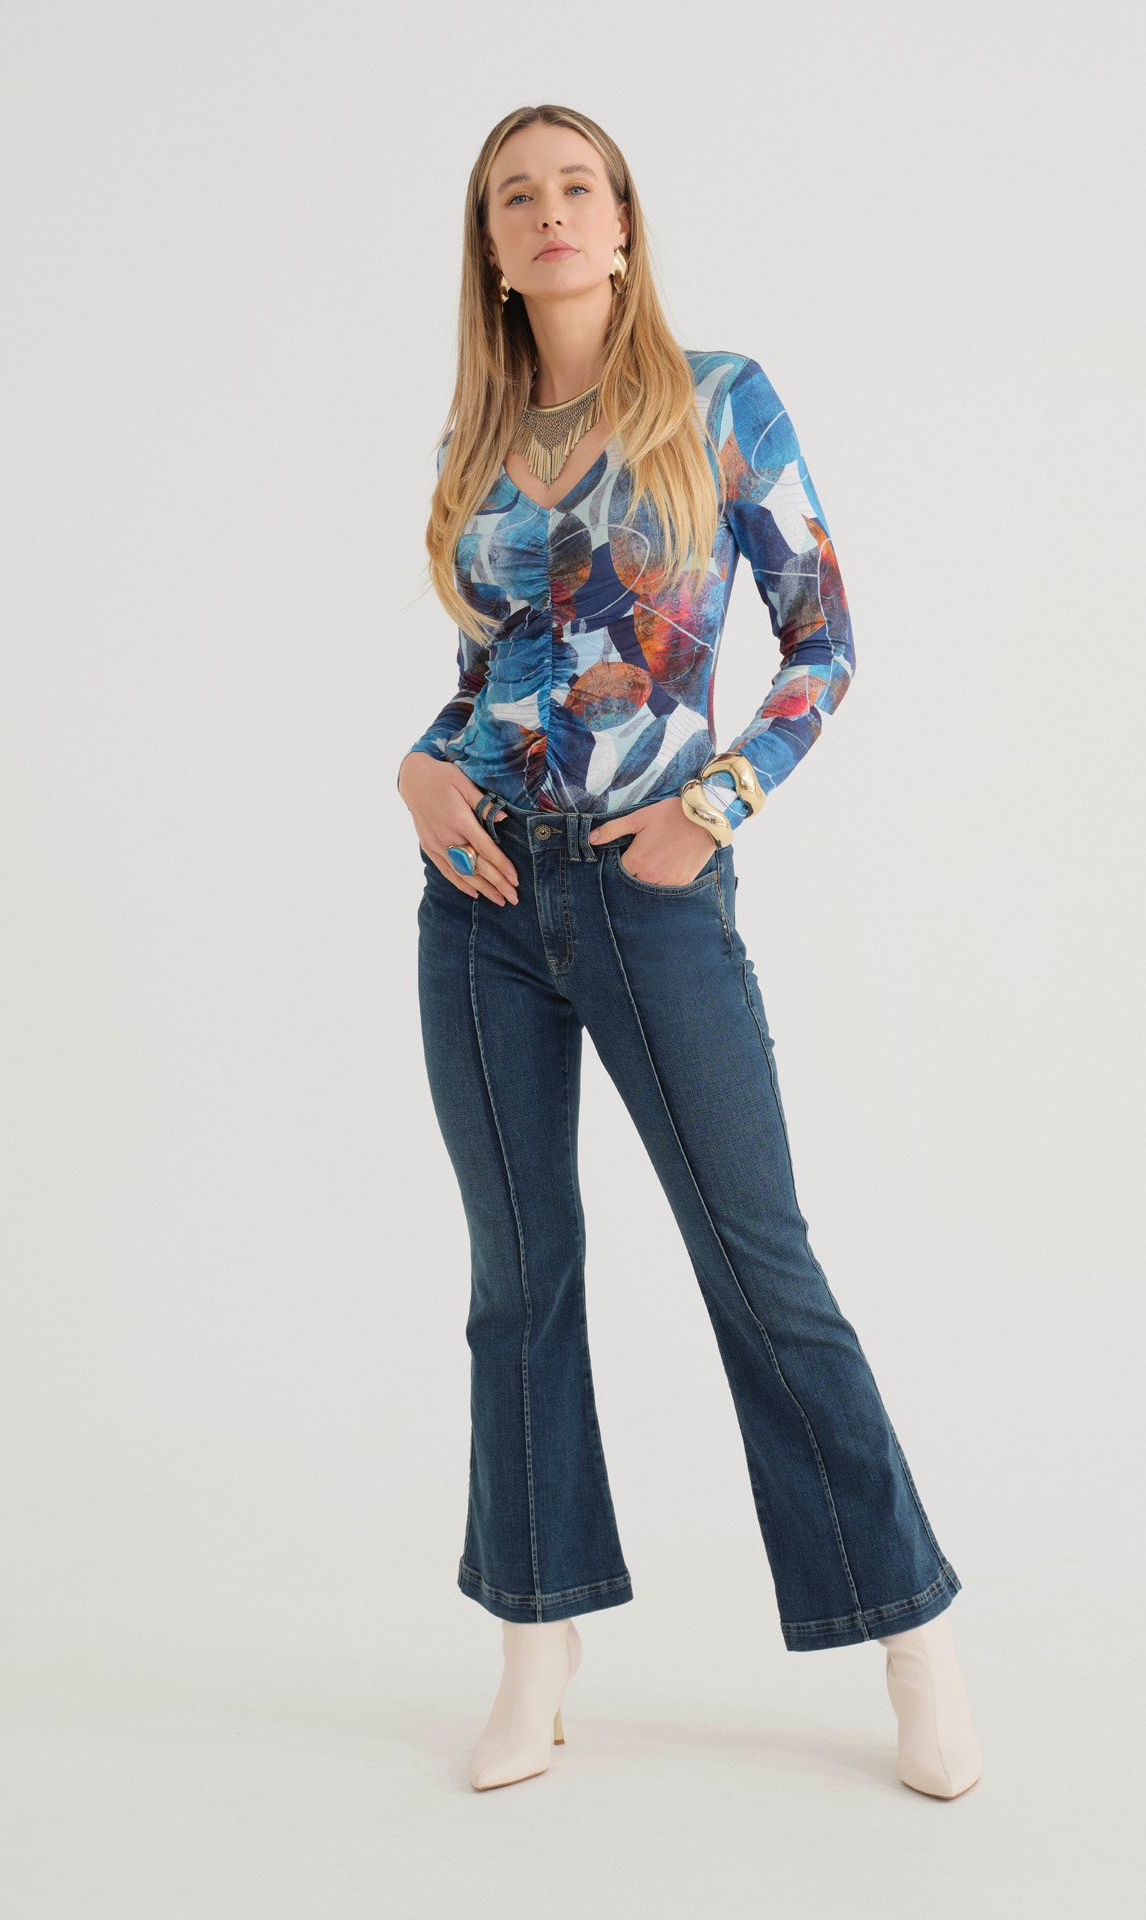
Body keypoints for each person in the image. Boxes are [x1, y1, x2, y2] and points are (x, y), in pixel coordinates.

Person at [398, 102, 983, 1799]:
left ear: (624, 222)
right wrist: (420, 764)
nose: (551, 211)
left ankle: (911, 1634)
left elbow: (823, 640)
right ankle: (536, 1641)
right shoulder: (473, 443)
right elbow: (492, 682)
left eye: (577, 185)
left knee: (760, 1268)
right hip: (479, 903)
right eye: (517, 196)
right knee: (517, 1281)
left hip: (651, 897)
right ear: (491, 249)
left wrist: (714, 806)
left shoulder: (718, 400)